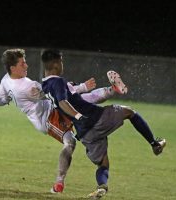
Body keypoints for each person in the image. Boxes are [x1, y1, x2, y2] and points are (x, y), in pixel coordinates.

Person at [0, 49, 126, 194]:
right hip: (48, 118)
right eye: (22, 63)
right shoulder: (27, 88)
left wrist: (7, 99)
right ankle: (59, 182)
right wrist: (82, 87)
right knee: (70, 142)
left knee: (84, 101)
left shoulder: (6, 80)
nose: (26, 66)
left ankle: (113, 89)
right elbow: (57, 90)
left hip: (52, 106)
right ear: (13, 68)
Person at [41, 49, 166, 199]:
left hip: (85, 133)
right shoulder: (58, 82)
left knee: (103, 164)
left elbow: (76, 99)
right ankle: (154, 144)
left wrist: (82, 90)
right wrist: (79, 115)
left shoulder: (46, 86)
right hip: (95, 118)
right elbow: (63, 103)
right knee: (129, 112)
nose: (62, 64)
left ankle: (101, 187)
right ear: (55, 64)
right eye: (61, 61)